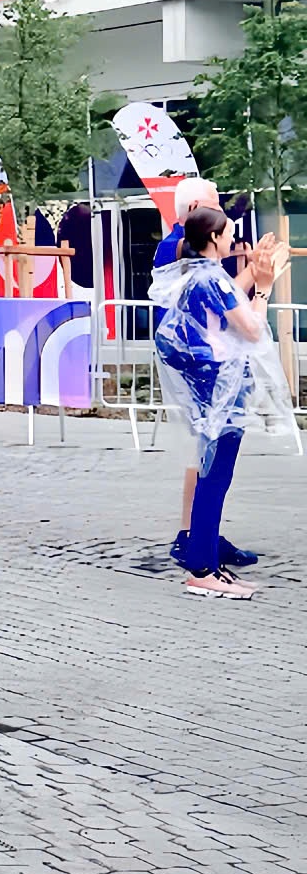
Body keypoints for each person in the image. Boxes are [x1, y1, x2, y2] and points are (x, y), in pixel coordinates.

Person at [151, 206, 288, 597]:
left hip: (208, 386)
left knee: (212, 476)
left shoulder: (193, 275)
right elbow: (252, 328)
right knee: (215, 478)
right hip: (220, 388)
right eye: (228, 232)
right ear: (213, 238)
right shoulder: (211, 279)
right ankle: (202, 569)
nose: (233, 238)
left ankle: (207, 562)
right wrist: (263, 287)